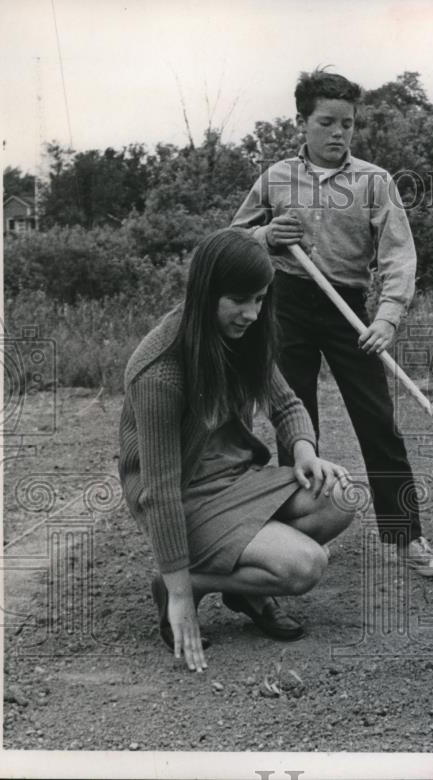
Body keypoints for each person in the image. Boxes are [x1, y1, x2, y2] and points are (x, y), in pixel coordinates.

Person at [231, 69, 433, 578]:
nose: (338, 133)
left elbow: (399, 256)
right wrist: (265, 235)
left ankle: (407, 538)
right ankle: (300, 534)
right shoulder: (275, 178)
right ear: (302, 123)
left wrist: (388, 317)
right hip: (284, 303)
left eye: (347, 124)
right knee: (297, 421)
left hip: (350, 309)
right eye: (327, 122)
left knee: (378, 422)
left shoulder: (375, 181)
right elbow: (231, 241)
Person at [119, 228, 355, 672]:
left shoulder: (245, 335)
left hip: (237, 481)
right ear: (206, 294)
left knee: (339, 496)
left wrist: (304, 450)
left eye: (261, 299)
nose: (251, 313)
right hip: (184, 496)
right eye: (239, 300)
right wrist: (183, 595)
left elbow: (286, 404)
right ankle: (185, 581)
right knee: (305, 566)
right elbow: (160, 491)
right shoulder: (160, 369)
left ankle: (243, 587)